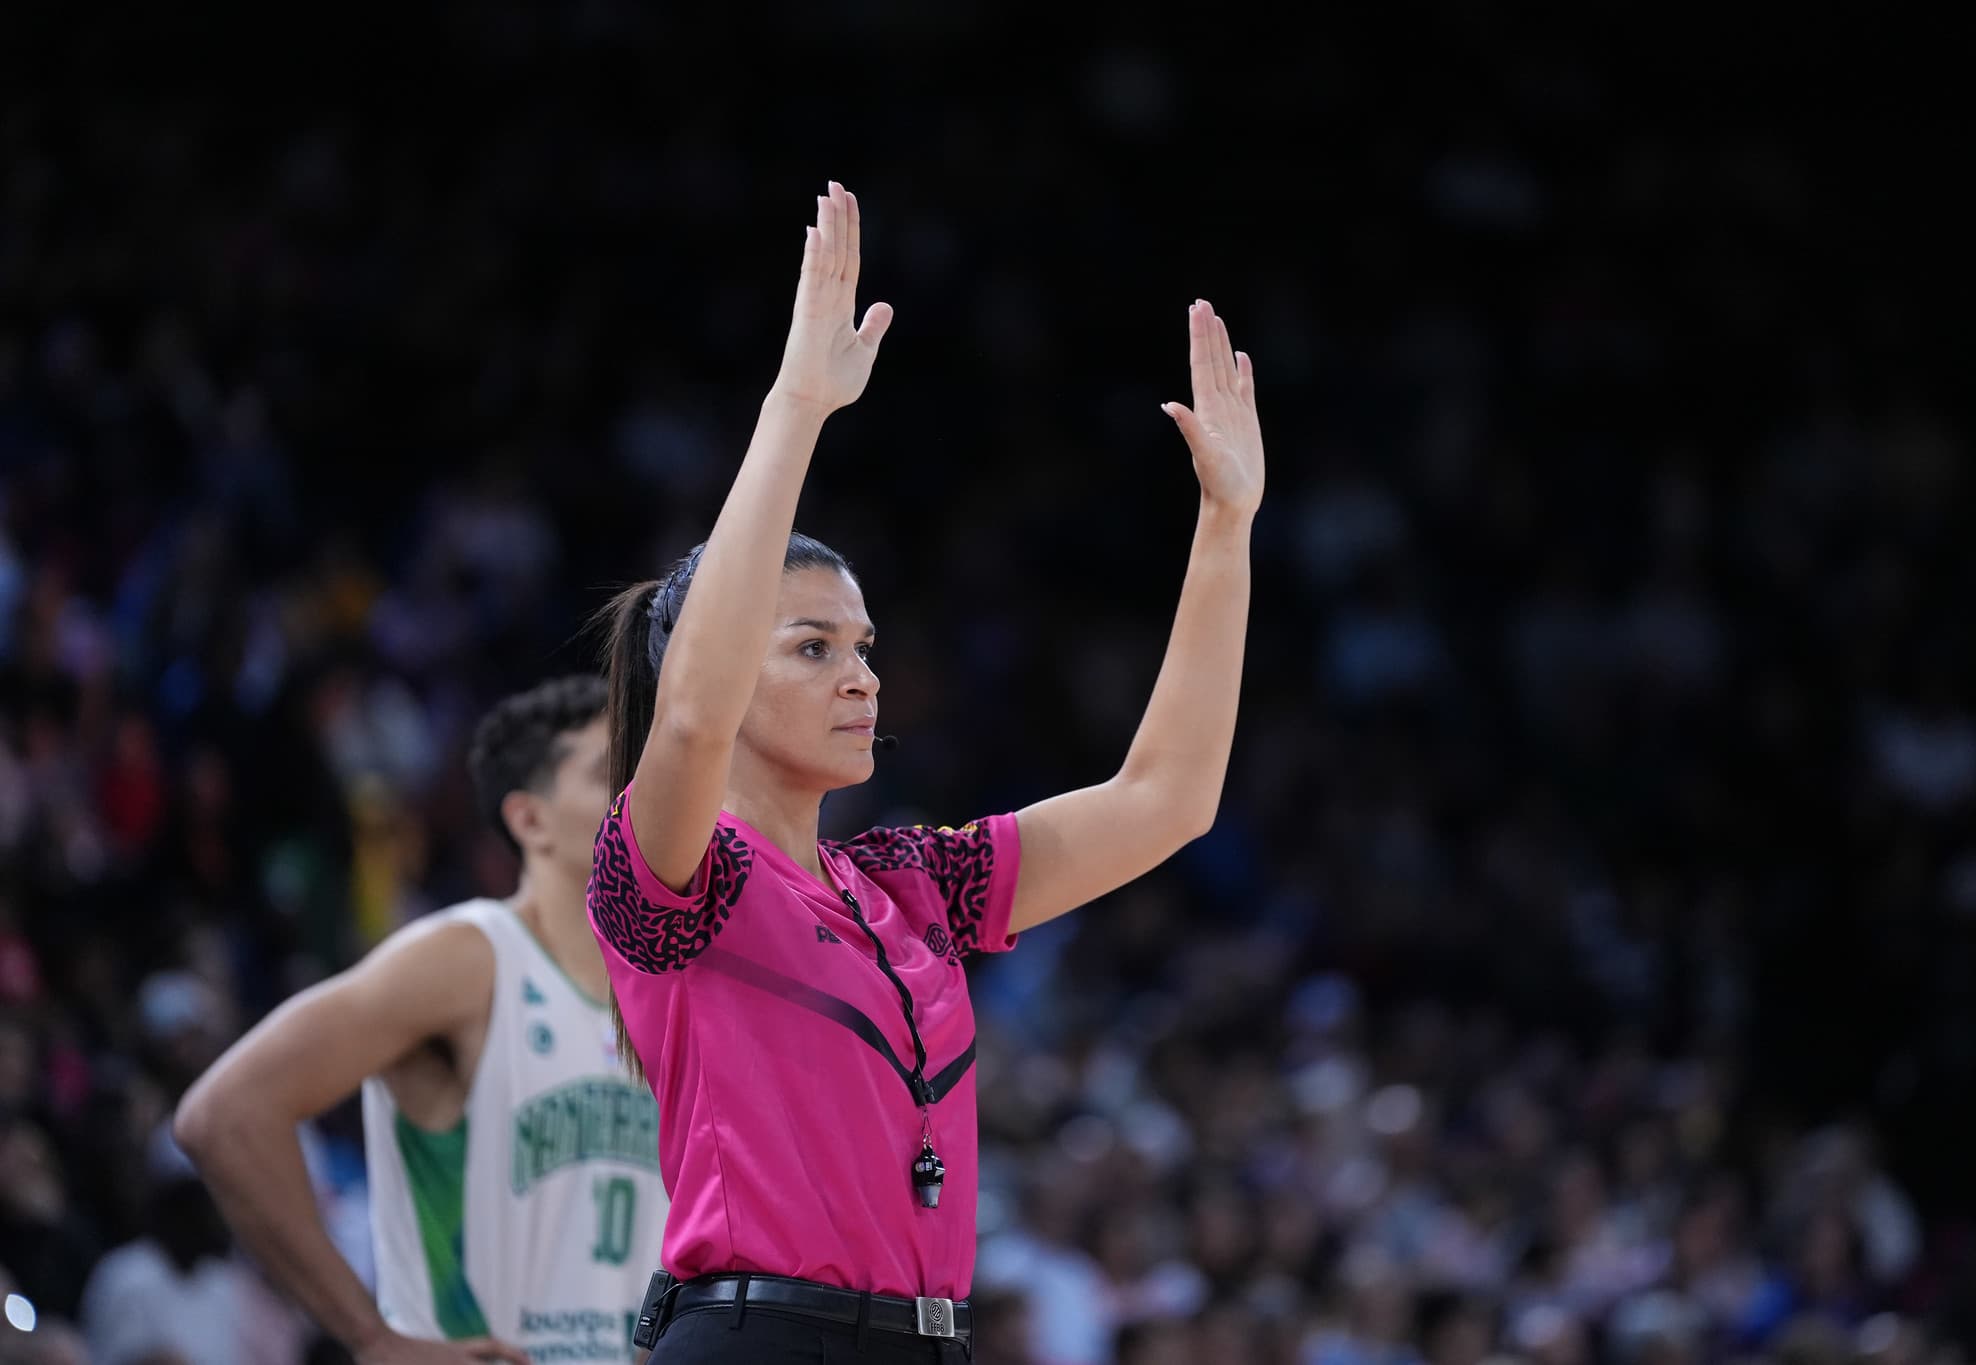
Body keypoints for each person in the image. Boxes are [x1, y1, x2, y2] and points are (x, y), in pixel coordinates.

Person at [586, 181, 1264, 1362]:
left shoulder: (909, 886)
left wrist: (1225, 527)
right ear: (726, 665)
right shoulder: (668, 878)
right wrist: (797, 407)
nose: (862, 679)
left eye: (862, 648)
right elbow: (688, 719)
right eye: (811, 648)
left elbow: (1169, 798)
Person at [175, 676, 666, 1365]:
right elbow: (224, 1114)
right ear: (529, 819)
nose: (641, 792)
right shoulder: (471, 957)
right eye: (607, 774)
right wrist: (368, 1335)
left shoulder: (669, 994)